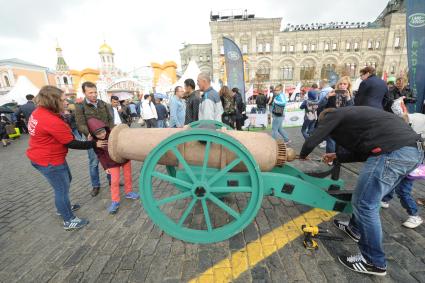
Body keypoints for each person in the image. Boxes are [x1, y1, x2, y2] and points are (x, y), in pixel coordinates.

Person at [300, 106, 423, 276]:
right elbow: (363, 152)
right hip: (413, 153)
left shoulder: (333, 114)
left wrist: (303, 154)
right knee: (367, 197)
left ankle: (374, 262)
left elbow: (314, 138)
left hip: (393, 153)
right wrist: (338, 156)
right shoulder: (358, 118)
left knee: (365, 204)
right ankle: (354, 229)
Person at [26, 86, 107, 230]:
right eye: (63, 100)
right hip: (50, 160)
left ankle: (63, 207)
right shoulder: (51, 120)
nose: (66, 102)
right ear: (52, 101)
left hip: (42, 156)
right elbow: (72, 143)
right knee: (61, 189)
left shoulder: (39, 111)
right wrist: (95, 143)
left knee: (65, 182)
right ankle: (68, 220)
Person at [87, 118, 139, 214]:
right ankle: (115, 201)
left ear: (105, 129)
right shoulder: (96, 143)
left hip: (124, 158)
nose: (101, 135)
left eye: (102, 132)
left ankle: (129, 192)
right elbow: (100, 155)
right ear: (93, 135)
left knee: (128, 176)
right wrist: (105, 167)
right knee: (114, 181)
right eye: (98, 134)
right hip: (111, 163)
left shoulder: (113, 134)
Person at [75, 81, 114, 197]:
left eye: (95, 92)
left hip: (106, 137)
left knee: (109, 158)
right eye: (90, 92)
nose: (94, 95)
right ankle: (95, 186)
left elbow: (110, 119)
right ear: (84, 92)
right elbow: (80, 124)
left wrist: (111, 132)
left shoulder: (103, 103)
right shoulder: (80, 106)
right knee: (94, 163)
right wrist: (88, 133)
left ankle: (112, 180)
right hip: (92, 139)